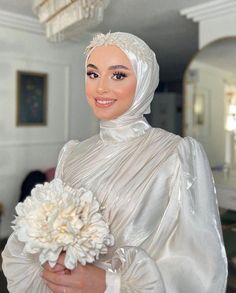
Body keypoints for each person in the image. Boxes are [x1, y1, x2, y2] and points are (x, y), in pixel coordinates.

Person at [2, 32, 227, 293]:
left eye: (118, 75)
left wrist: (110, 283)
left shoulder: (177, 153)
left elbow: (200, 265)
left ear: (143, 81)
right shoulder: (72, 153)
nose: (100, 88)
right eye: (93, 74)